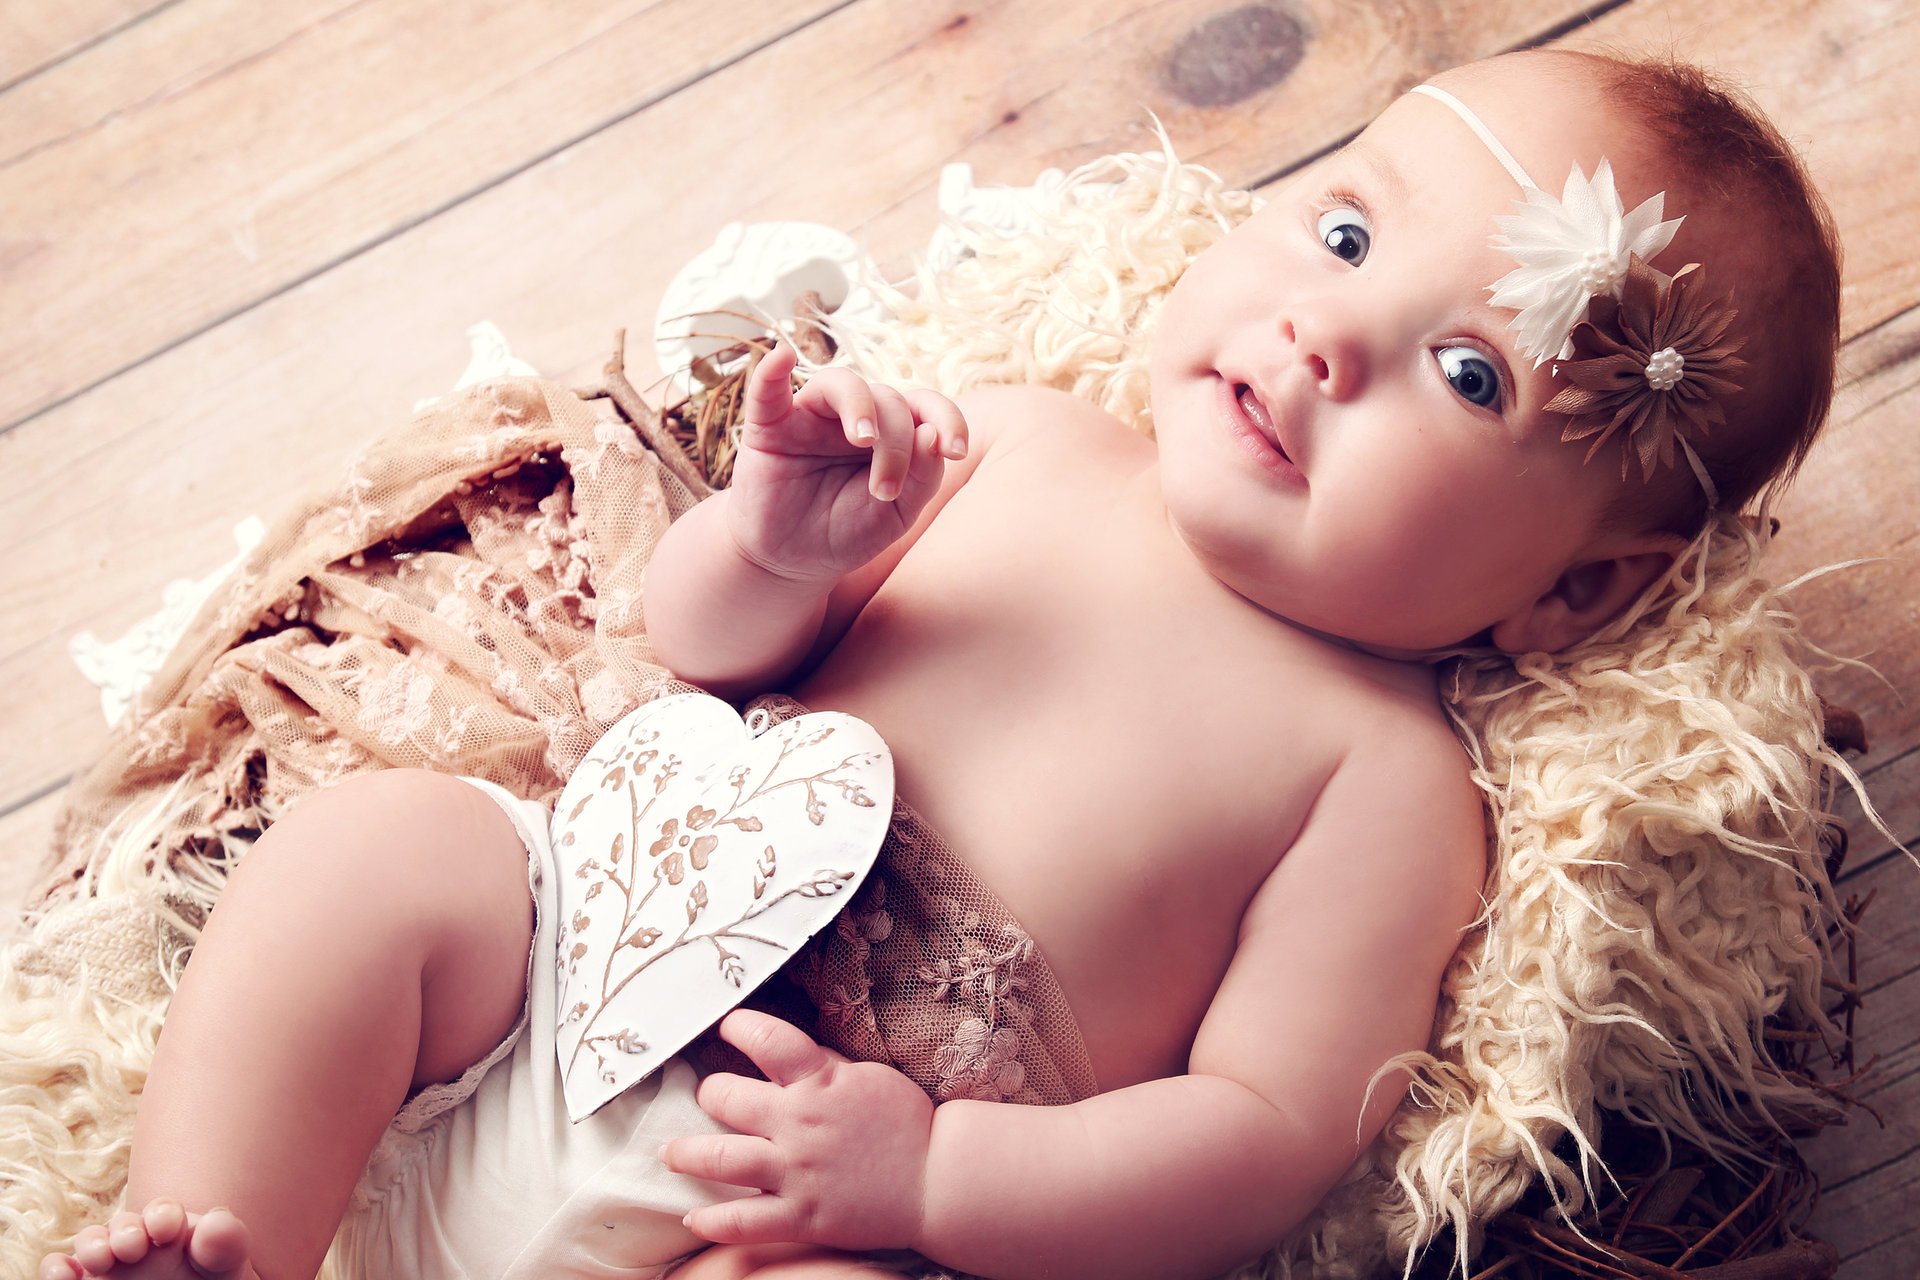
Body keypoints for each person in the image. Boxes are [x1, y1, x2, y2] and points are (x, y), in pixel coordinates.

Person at [40, 44, 1842, 1280]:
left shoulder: (1386, 787)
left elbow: (1264, 1134)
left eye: (1470, 375)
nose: (1323, 339)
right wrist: (771, 550)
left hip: (796, 1205)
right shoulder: (1021, 442)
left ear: (1577, 597)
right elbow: (698, 653)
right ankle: (227, 1232)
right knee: (380, 858)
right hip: (543, 980)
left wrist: (934, 1175)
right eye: (1351, 237)